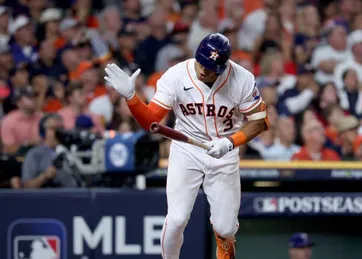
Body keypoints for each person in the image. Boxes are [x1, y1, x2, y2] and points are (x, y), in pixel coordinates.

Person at [104, 33, 268, 259]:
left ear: (224, 66)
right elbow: (151, 122)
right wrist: (132, 97)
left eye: (210, 68)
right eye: (201, 63)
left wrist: (230, 143)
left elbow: (260, 122)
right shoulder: (176, 75)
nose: (203, 70)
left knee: (226, 228)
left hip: (224, 152)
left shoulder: (242, 79)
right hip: (186, 148)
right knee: (177, 218)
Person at [21, 113, 79, 188]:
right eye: (53, 129)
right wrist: (44, 176)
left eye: (61, 128)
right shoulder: (35, 154)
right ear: (43, 133)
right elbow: (27, 186)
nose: (58, 132)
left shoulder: (71, 150)